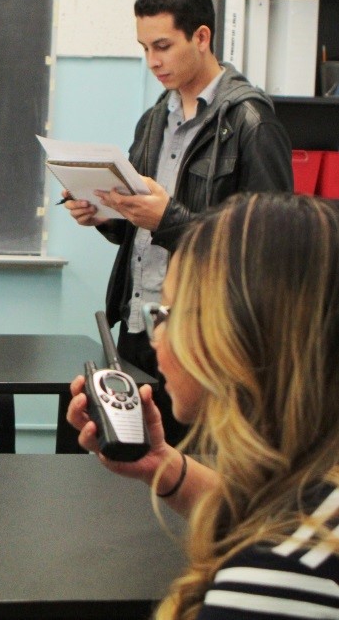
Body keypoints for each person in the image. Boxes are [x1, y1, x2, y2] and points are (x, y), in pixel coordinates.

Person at [67, 193, 339, 618]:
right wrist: (165, 468)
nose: (157, 337)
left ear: (237, 337)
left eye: (168, 312)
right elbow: (268, 514)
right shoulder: (319, 506)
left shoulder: (277, 577)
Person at [64, 0, 293, 446]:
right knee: (130, 469)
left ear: (202, 37)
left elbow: (271, 247)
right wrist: (108, 214)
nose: (152, 62)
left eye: (163, 46)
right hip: (136, 327)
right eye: (145, 48)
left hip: (204, 338)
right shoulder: (155, 118)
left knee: (196, 482)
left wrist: (168, 219)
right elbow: (142, 223)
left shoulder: (250, 121)